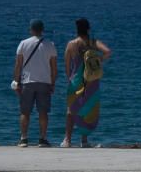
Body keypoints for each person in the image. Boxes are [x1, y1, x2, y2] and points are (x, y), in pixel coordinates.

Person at [62, 18, 112, 148]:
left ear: (77, 30)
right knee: (88, 108)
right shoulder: (93, 42)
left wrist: (70, 78)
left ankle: (67, 140)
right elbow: (108, 51)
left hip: (76, 80)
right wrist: (98, 60)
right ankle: (84, 140)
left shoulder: (71, 44)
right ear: (88, 29)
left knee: (71, 108)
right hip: (91, 80)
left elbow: (67, 65)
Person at [13, 19, 57, 148]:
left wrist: (16, 81)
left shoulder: (23, 43)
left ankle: (23, 138)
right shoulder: (50, 45)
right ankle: (42, 139)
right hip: (44, 81)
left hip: (27, 81)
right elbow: (54, 68)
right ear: (42, 30)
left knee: (25, 112)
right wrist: (53, 83)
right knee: (43, 112)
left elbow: (18, 65)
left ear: (31, 30)